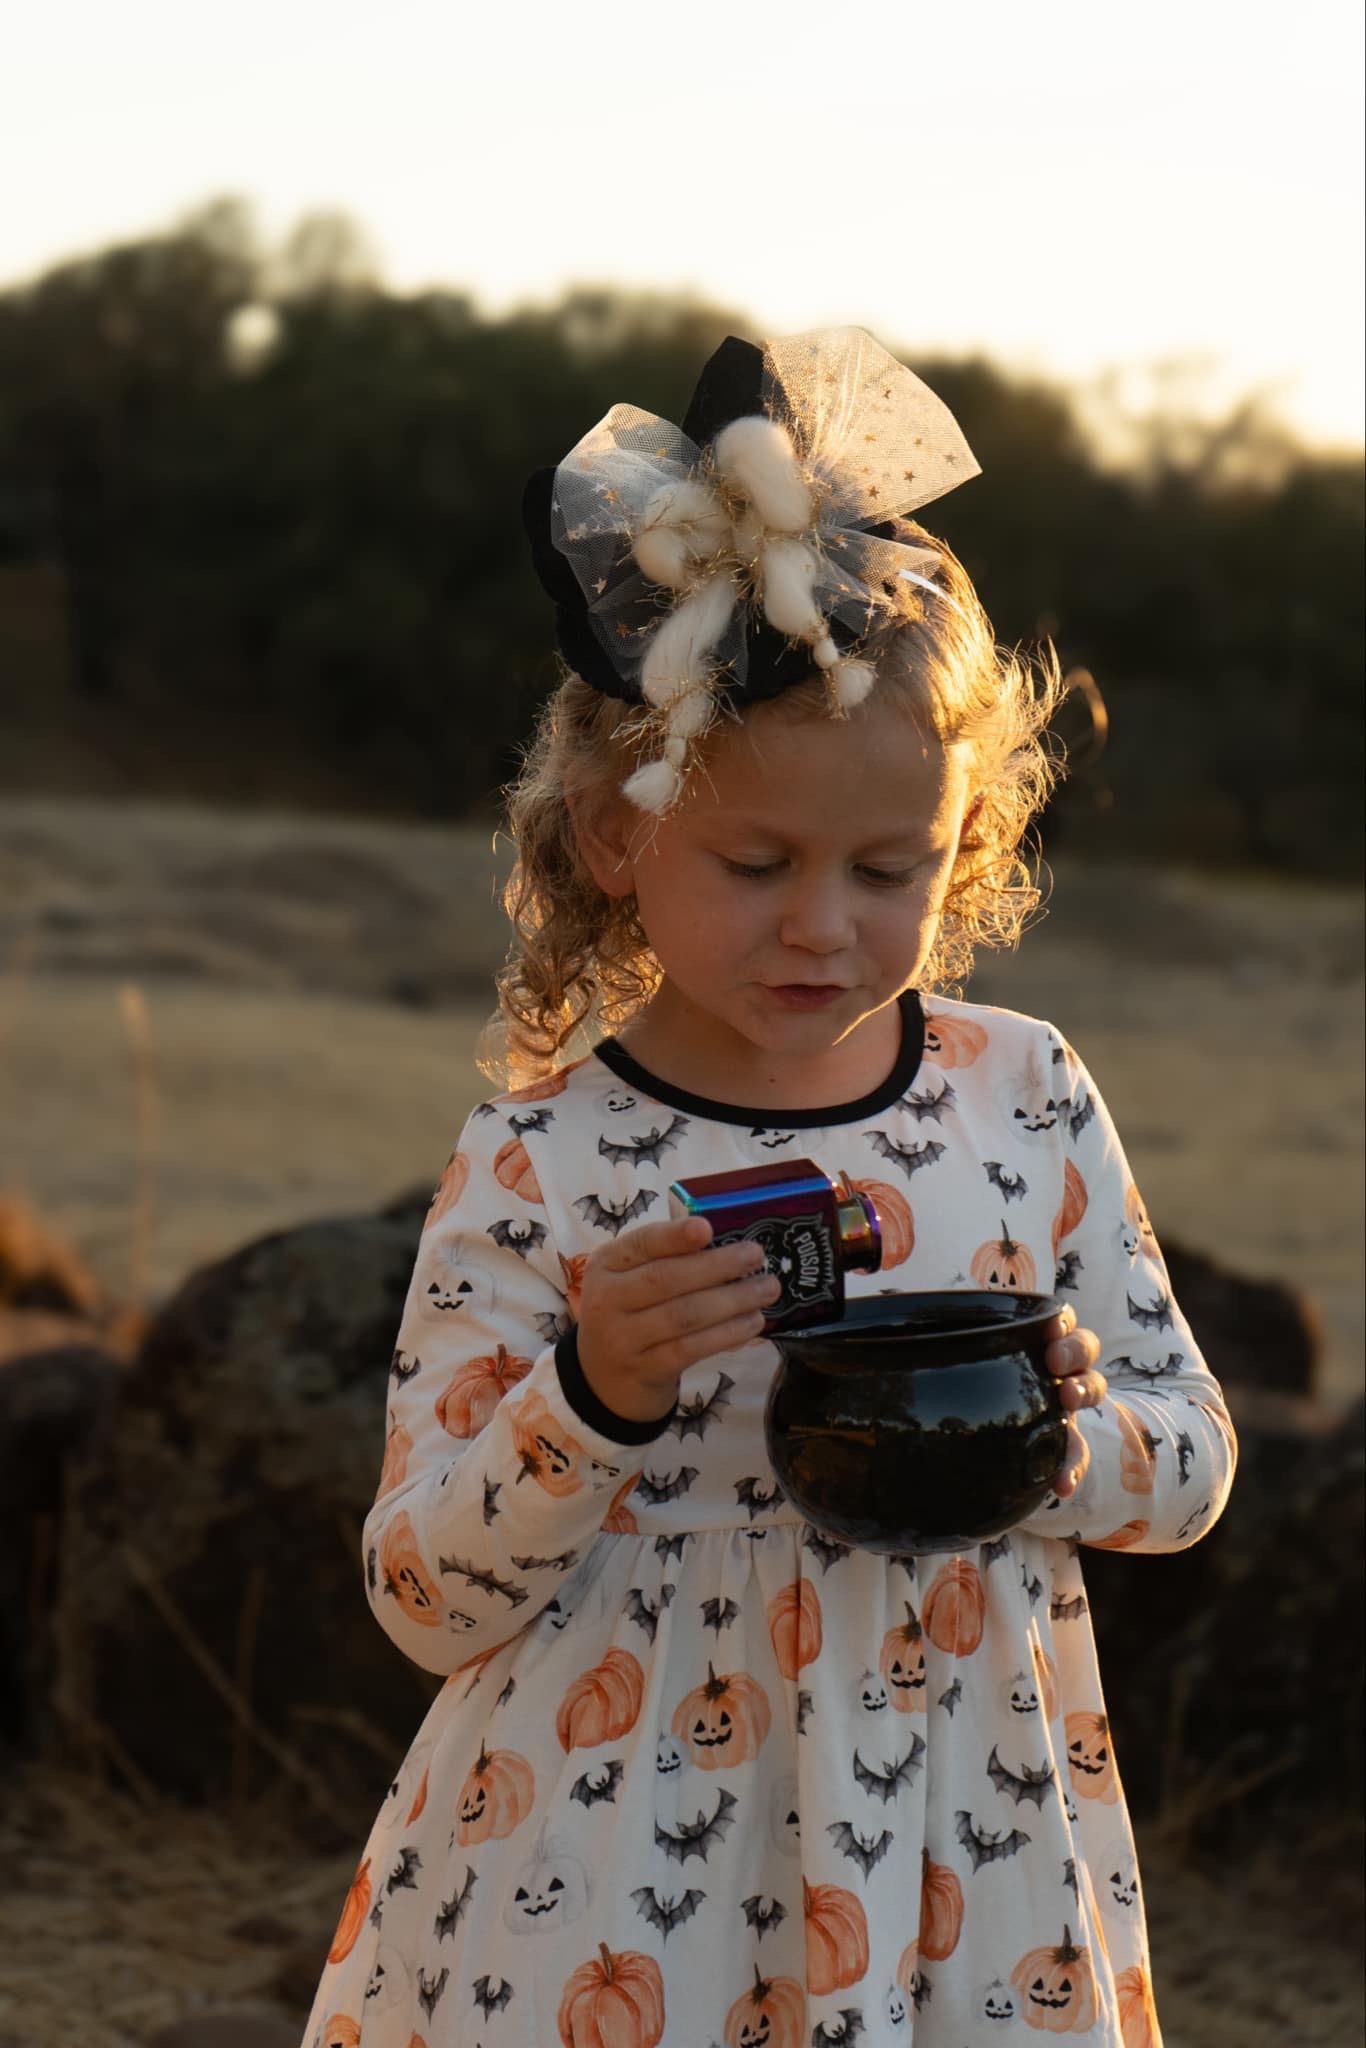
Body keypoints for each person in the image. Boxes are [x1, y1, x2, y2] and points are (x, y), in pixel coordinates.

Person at [304, 329, 1235, 2047]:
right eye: (755, 863)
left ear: (961, 845)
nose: (823, 924)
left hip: (963, 1846)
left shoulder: (1017, 1095)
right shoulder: (543, 1159)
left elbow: (1187, 1466)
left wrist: (1057, 1441)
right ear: (610, 835)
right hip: (596, 1854)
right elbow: (424, 1601)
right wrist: (589, 1398)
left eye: (889, 868)